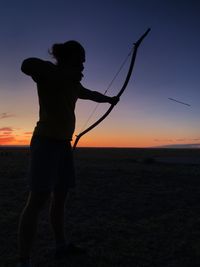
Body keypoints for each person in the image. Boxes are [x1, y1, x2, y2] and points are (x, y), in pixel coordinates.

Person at [17, 40, 119, 267]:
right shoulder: (50, 73)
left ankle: (61, 246)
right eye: (80, 63)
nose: (83, 68)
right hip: (45, 142)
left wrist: (110, 100)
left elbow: (91, 94)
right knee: (38, 199)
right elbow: (26, 64)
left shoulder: (74, 85)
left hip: (63, 145)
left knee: (60, 197)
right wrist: (57, 72)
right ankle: (23, 260)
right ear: (67, 60)